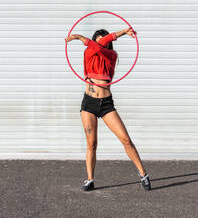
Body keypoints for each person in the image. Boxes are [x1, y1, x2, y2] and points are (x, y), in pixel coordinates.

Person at [65, 27, 151, 191]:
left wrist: (78, 37)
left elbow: (100, 45)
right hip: (89, 103)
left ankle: (143, 174)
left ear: (108, 43)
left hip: (106, 104)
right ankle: (90, 179)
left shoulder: (111, 56)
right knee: (92, 144)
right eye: (97, 41)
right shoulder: (89, 53)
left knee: (125, 139)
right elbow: (95, 46)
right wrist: (120, 33)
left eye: (103, 41)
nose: (99, 43)